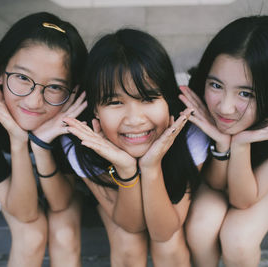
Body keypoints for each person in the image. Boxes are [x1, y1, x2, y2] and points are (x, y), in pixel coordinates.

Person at [0, 12, 87, 267]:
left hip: (56, 179)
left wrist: (41, 146)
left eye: (54, 86)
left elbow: (61, 201)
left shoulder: (76, 111)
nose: (33, 101)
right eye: (22, 78)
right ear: (1, 72)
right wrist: (18, 142)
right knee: (31, 235)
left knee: (64, 232)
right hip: (9, 178)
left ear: (72, 89)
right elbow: (26, 213)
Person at [181, 15, 268, 267]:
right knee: (200, 227)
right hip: (220, 159)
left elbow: (242, 200)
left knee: (238, 238)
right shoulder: (200, 90)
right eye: (216, 84)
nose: (225, 108)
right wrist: (225, 144)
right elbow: (215, 183)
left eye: (246, 93)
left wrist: (240, 143)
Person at [62, 28, 210, 267]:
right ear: (95, 109)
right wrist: (126, 169)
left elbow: (164, 232)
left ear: (167, 100)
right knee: (127, 242)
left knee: (170, 246)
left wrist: (151, 167)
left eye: (148, 98)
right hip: (118, 204)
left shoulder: (190, 133)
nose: (134, 119)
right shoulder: (80, 141)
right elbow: (132, 225)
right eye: (115, 102)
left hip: (166, 206)